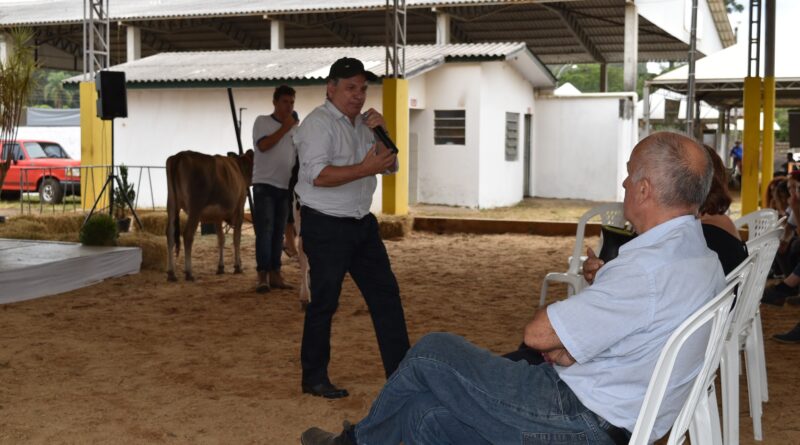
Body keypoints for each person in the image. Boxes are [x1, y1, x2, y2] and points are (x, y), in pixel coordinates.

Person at [300, 131, 724, 445]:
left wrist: (561, 344)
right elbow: (612, 335)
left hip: (578, 417)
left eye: (630, 177)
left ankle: (349, 444)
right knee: (422, 414)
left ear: (646, 190)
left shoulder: (647, 268)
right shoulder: (698, 256)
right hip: (618, 413)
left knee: (432, 351)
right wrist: (567, 346)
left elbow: (537, 335)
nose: (625, 185)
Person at [294, 57, 410, 399]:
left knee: (386, 297)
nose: (358, 96)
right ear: (331, 89)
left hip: (362, 225)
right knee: (324, 302)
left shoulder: (366, 123)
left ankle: (402, 375)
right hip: (326, 225)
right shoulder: (317, 125)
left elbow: (391, 165)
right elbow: (319, 175)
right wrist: (364, 168)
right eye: (350, 88)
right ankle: (313, 378)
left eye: (362, 88)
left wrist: (383, 130)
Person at [251, 85, 298, 293]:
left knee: (279, 232)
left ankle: (275, 273)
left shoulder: (295, 128)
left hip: (284, 185)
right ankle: (262, 275)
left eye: (292, 102)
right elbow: (263, 145)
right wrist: (285, 127)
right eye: (285, 102)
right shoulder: (262, 121)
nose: (289, 106)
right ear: (275, 103)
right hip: (264, 185)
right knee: (265, 231)